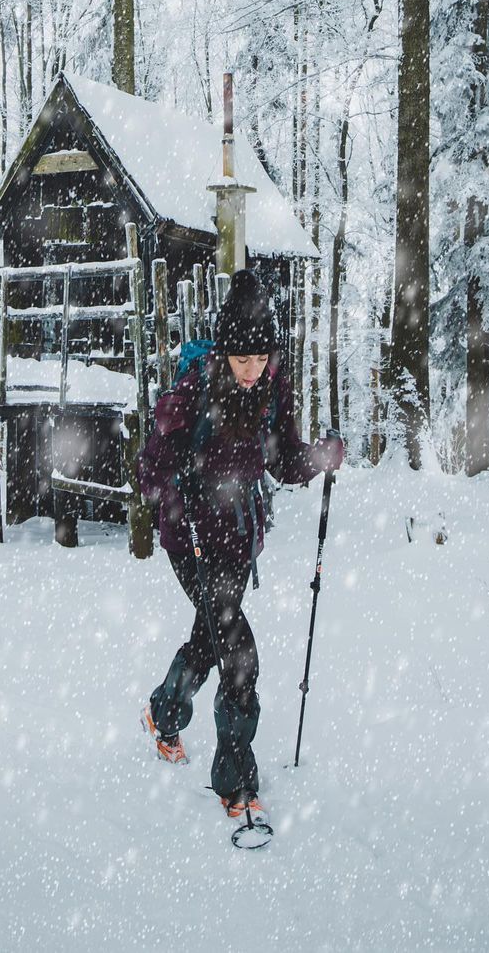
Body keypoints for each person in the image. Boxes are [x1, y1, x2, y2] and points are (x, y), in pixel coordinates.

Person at [138, 268, 344, 822]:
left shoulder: (271, 390)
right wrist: (177, 477)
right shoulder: (194, 392)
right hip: (193, 544)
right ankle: (235, 779)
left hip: (238, 542)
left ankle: (163, 714)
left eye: (261, 359)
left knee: (211, 640)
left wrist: (321, 459)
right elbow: (148, 473)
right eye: (242, 360)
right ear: (224, 351)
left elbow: (282, 459)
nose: (252, 371)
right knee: (239, 654)